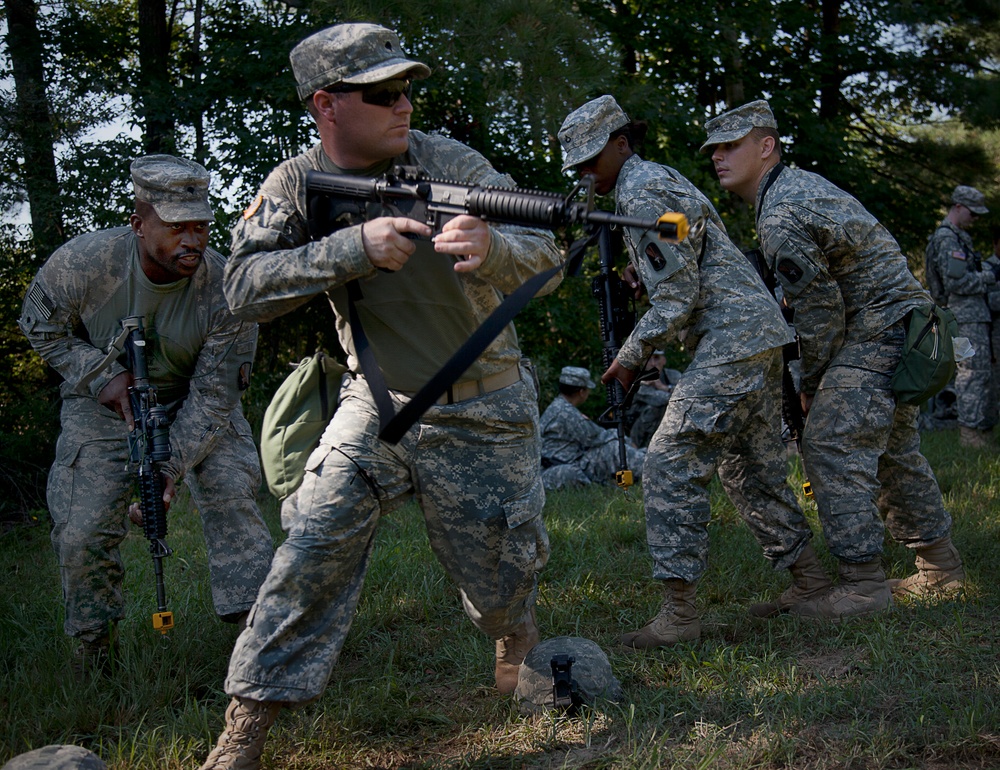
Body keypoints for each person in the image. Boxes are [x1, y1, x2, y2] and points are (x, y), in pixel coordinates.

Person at [198, 23, 562, 769]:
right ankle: (246, 724)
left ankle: (512, 630)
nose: (404, 105)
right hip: (379, 403)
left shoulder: (450, 161)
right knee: (310, 546)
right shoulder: (295, 183)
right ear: (325, 105)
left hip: (485, 404)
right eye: (382, 93)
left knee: (501, 577)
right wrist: (351, 249)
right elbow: (241, 288)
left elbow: (547, 254)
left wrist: (494, 249)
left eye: (406, 90)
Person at [558, 95, 825, 650]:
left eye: (591, 159)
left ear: (621, 144)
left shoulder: (641, 189)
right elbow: (688, 264)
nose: (585, 173)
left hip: (732, 338)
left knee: (670, 461)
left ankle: (680, 613)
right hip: (754, 333)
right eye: (576, 165)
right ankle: (812, 581)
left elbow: (677, 299)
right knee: (749, 469)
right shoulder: (651, 181)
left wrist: (629, 358)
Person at [703, 99, 965, 614]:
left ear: (766, 146)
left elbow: (820, 308)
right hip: (903, 323)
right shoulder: (795, 189)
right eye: (714, 149)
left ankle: (863, 585)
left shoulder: (780, 212)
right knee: (892, 449)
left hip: (879, 327)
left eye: (731, 145)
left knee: (829, 441)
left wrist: (812, 381)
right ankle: (941, 568)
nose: (718, 156)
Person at [18, 155, 274, 674]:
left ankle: (262, 641)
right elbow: (39, 326)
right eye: (176, 227)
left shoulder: (228, 289)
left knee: (231, 492)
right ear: (138, 224)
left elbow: (215, 396)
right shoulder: (84, 263)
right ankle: (94, 653)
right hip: (103, 405)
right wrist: (98, 375)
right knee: (83, 528)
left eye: (200, 226)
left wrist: (166, 466)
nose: (192, 240)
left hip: (193, 400)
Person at [925, 185, 998, 448]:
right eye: (972, 213)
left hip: (972, 315)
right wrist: (989, 277)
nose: (975, 219)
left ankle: (979, 429)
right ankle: (969, 433)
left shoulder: (958, 237)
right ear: (958, 207)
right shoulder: (948, 239)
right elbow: (956, 283)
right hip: (964, 316)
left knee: (980, 372)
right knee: (971, 372)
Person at [539, 365, 646, 489]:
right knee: (613, 448)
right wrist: (626, 440)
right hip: (562, 466)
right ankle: (652, 469)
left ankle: (645, 460)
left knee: (611, 448)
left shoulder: (558, 407)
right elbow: (596, 437)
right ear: (581, 392)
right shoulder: (566, 412)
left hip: (565, 462)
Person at [623, 350, 679, 448]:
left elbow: (690, 393)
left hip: (668, 428)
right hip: (639, 432)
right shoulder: (638, 382)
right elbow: (660, 400)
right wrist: (672, 391)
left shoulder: (673, 375)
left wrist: (665, 388)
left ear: (664, 360)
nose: (653, 363)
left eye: (656, 358)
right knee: (656, 408)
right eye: (648, 359)